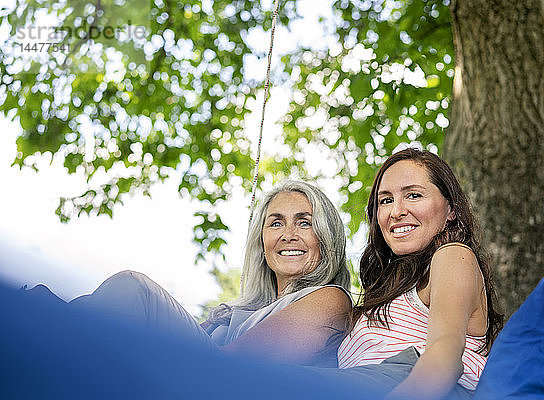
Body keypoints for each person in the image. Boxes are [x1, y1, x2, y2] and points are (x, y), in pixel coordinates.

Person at [32, 180, 352, 367]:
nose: (288, 234)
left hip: (216, 379)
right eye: (276, 222)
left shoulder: (330, 299)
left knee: (133, 289)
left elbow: (237, 366)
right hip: (190, 372)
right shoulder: (240, 312)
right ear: (262, 240)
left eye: (305, 222)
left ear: (328, 236)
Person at [334, 148, 504, 399]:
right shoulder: (386, 294)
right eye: (386, 200)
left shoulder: (453, 256)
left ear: (451, 210)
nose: (396, 211)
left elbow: (445, 355)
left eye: (413, 195)